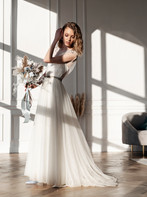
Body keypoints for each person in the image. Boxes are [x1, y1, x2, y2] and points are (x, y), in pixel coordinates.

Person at [24, 22, 117, 187]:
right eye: (66, 35)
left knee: (55, 131)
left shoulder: (73, 53)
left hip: (54, 92)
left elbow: (47, 59)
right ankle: (42, 173)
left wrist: (54, 40)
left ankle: (59, 175)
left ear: (76, 38)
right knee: (44, 131)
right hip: (48, 88)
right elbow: (49, 72)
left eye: (72, 36)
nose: (68, 38)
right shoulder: (61, 50)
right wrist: (34, 83)